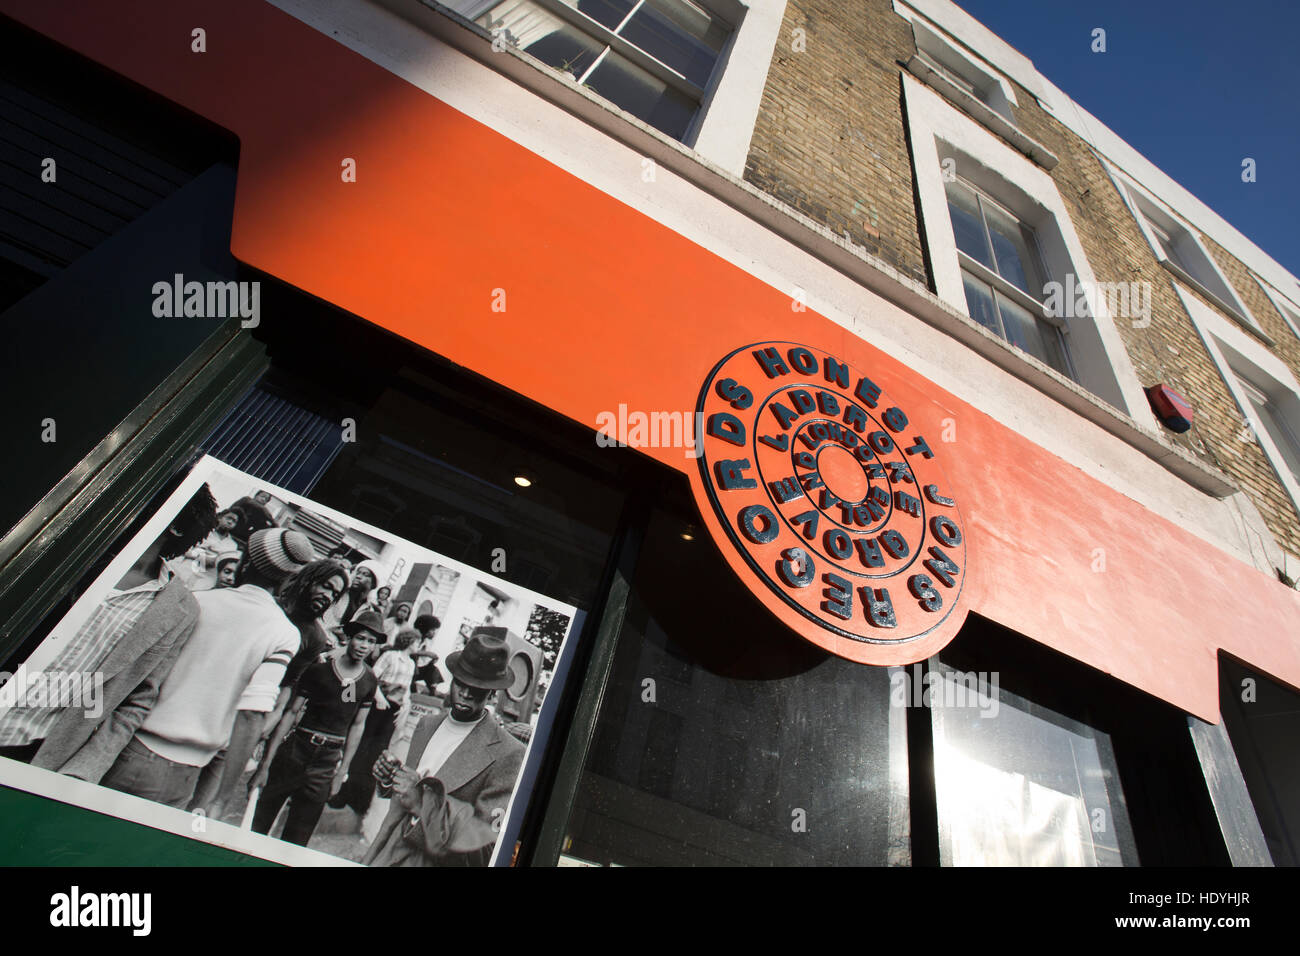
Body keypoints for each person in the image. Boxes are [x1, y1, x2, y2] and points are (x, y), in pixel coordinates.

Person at [0, 485, 218, 779]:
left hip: (34, 751)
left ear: (176, 527)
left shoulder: (179, 608)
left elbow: (137, 700)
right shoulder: (77, 556)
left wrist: (83, 770)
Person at [98, 528, 316, 811]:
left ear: (244, 562)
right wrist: (222, 797)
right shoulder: (284, 633)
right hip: (187, 774)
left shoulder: (197, 601)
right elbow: (252, 714)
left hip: (132, 749)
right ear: (288, 578)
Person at [188, 557, 350, 814]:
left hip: (248, 721)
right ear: (308, 579)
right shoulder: (267, 608)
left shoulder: (315, 636)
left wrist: (268, 721)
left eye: (335, 593)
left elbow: (288, 685)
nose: (328, 596)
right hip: (213, 704)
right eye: (325, 585)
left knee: (204, 805)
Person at [362, 626, 524, 867]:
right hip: (388, 852)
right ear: (453, 679)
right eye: (461, 683)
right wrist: (391, 779)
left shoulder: (509, 752)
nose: (466, 693)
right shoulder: (427, 724)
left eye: (478, 689)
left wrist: (422, 804)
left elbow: (487, 847)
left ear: (492, 693)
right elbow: (413, 785)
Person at [249, 612, 381, 845]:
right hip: (296, 751)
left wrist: (342, 772)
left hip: (327, 761)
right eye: (361, 638)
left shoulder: (369, 680)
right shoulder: (320, 669)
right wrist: (267, 763)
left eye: (371, 641)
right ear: (350, 637)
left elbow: (357, 726)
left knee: (298, 837)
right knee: (258, 824)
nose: (364, 646)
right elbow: (291, 712)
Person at [329, 627, 418, 817]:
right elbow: (373, 676)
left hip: (393, 710)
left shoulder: (411, 663)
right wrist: (378, 697)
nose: (418, 645)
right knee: (362, 747)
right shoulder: (391, 656)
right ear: (409, 641)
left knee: (377, 752)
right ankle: (342, 793)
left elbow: (407, 689)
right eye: (416, 641)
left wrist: (406, 707)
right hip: (378, 705)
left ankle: (360, 800)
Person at [410, 614, 445, 695]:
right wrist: (426, 653)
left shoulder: (427, 641)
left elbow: (423, 661)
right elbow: (410, 651)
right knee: (414, 658)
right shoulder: (413, 637)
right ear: (425, 629)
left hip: (418, 669)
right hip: (408, 667)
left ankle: (433, 689)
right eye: (432, 630)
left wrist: (431, 660)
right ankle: (412, 687)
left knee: (432, 669)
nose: (434, 633)